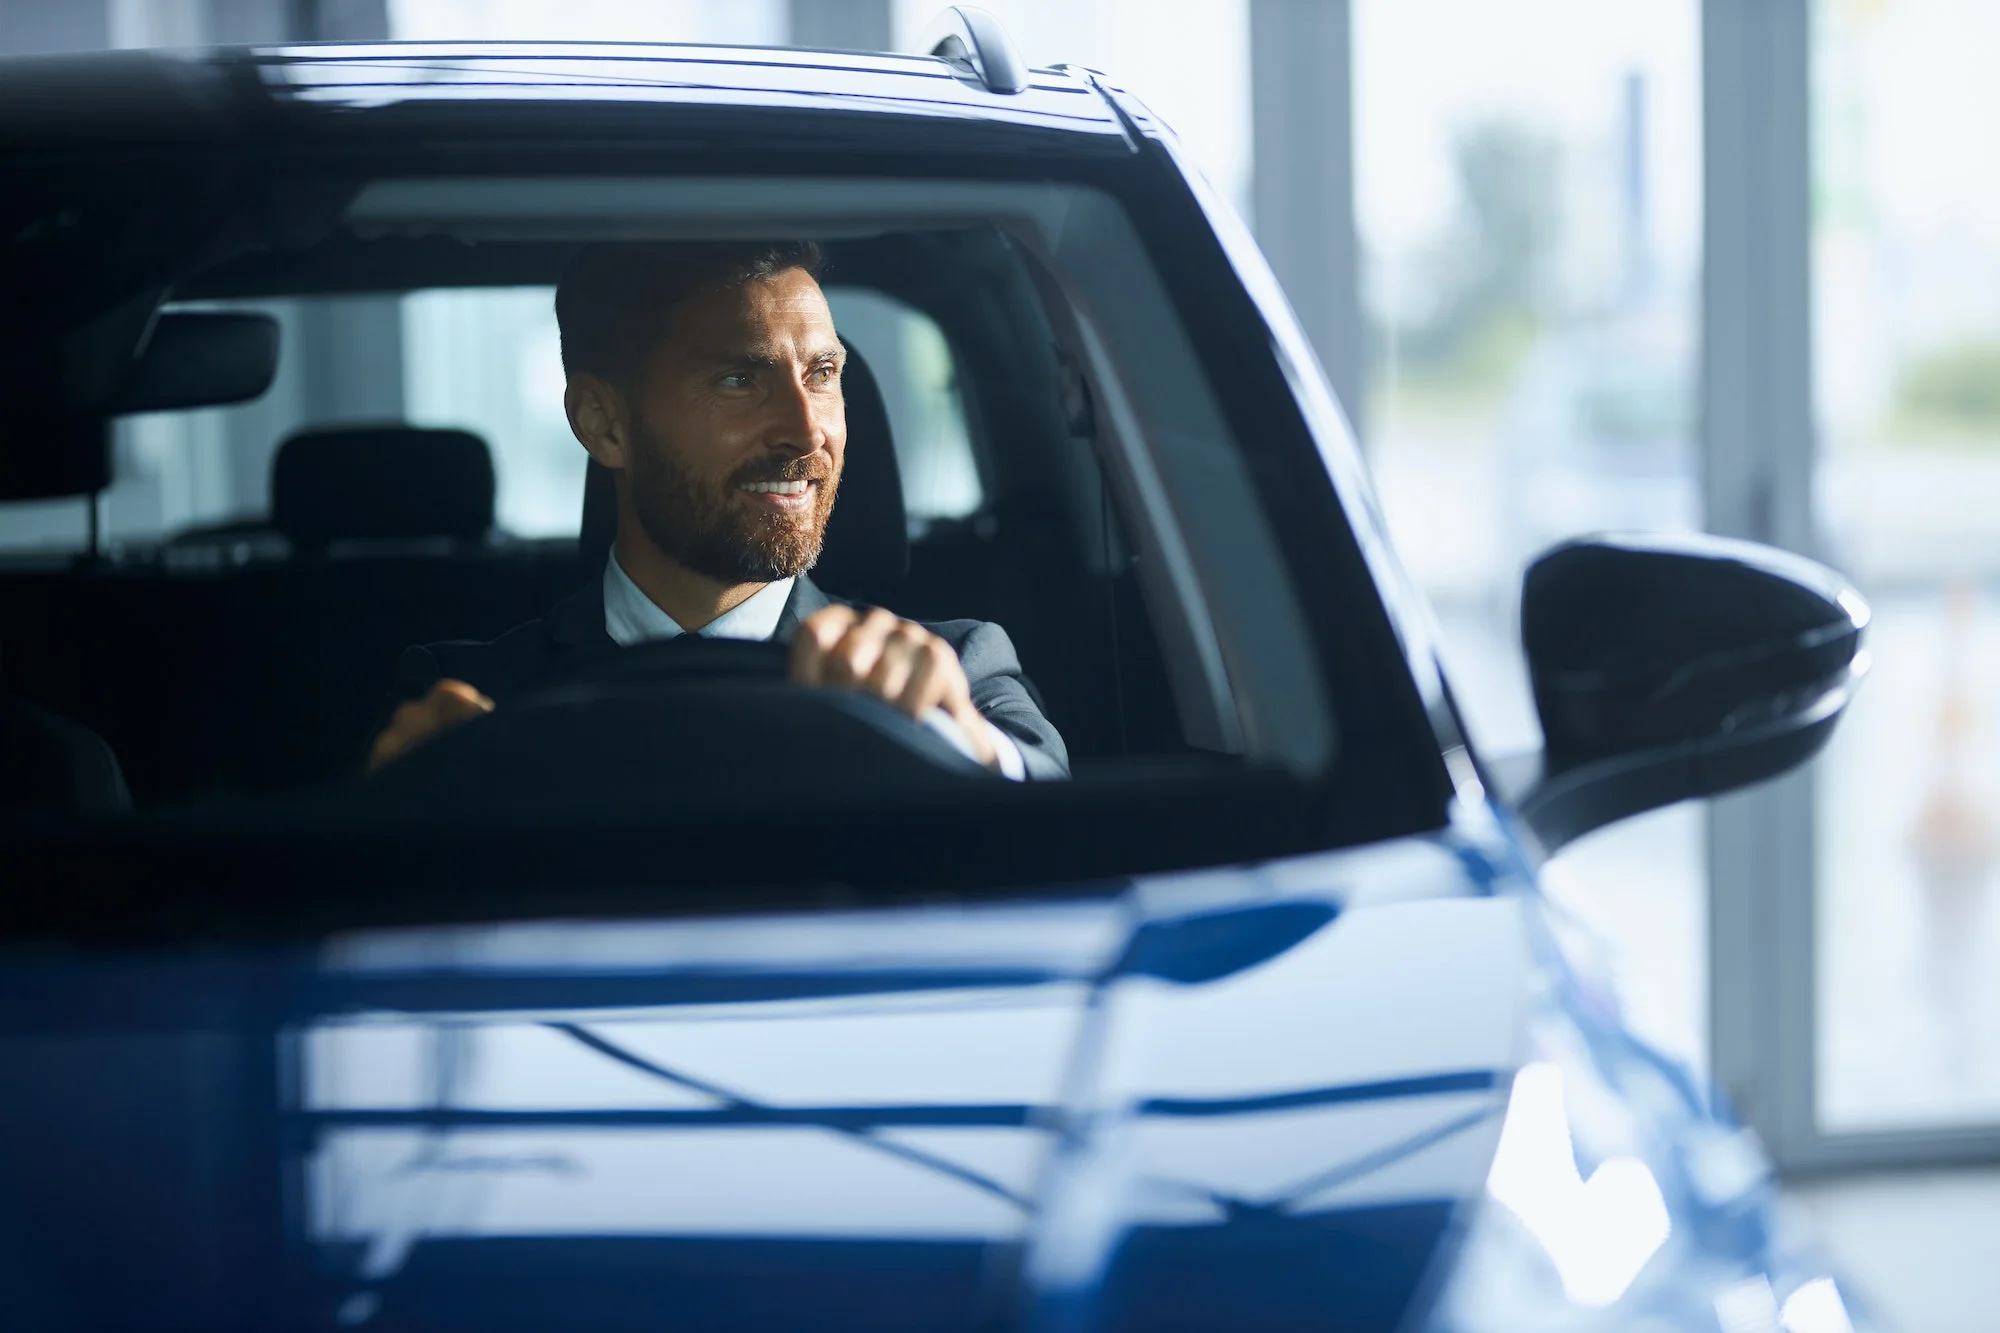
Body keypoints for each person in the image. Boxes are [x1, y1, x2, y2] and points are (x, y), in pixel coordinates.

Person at [368, 240, 1067, 779]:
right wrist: (406, 800)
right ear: (603, 423)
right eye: (740, 379)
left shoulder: (955, 671)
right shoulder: (465, 706)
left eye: (822, 375)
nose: (805, 429)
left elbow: (1058, 818)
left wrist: (956, 742)